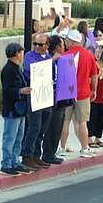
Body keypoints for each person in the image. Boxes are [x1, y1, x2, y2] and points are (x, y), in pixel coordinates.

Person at [64, 30, 99, 158]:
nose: (65, 42)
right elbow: (94, 76)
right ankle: (85, 148)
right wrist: (94, 90)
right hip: (83, 93)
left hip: (67, 93)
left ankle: (62, 148)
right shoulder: (88, 55)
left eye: (67, 40)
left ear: (72, 41)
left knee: (65, 121)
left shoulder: (65, 55)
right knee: (82, 122)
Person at [0, 43, 33, 176]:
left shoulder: (16, 68)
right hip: (12, 109)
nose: (22, 55)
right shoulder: (8, 70)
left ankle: (15, 161)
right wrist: (21, 91)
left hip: (20, 109)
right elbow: (7, 90)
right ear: (16, 53)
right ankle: (6, 163)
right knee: (10, 137)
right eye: (21, 52)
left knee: (18, 138)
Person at [21, 33, 53, 170]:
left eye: (40, 44)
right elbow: (31, 69)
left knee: (42, 127)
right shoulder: (29, 56)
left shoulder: (49, 57)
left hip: (46, 95)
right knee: (34, 127)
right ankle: (27, 156)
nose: (37, 47)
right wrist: (50, 62)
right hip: (34, 95)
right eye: (35, 44)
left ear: (47, 46)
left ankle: (36, 155)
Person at [41, 35, 67, 165]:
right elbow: (40, 70)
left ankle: (52, 152)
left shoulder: (63, 59)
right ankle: (47, 153)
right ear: (56, 47)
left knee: (58, 126)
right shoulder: (48, 58)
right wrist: (52, 60)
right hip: (50, 97)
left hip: (61, 96)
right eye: (62, 45)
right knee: (51, 127)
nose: (64, 47)